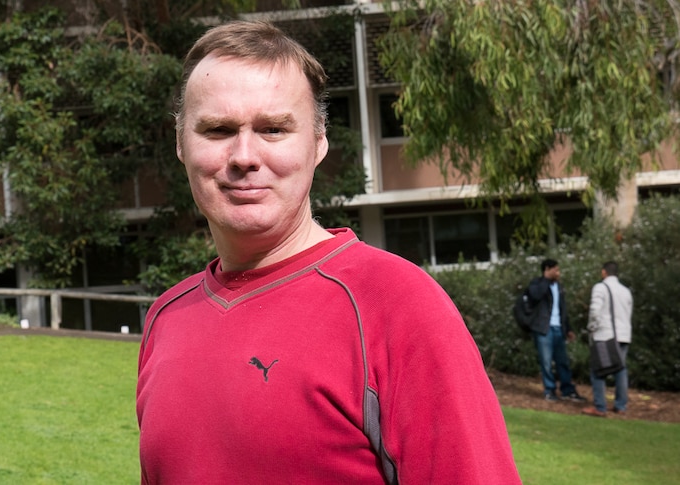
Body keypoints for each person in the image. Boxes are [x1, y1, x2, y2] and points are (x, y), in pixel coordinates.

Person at [136, 20, 521, 484]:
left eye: (274, 128)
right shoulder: (166, 318)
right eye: (217, 129)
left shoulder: (398, 305)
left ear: (318, 142)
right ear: (181, 143)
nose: (243, 156)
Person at [526, 259, 585, 403]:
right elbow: (535, 296)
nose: (558, 273)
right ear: (547, 269)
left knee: (562, 361)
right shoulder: (537, 284)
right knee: (546, 362)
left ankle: (567, 390)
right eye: (556, 270)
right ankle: (549, 390)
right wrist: (546, 280)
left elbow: (563, 309)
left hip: (558, 328)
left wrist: (568, 329)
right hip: (544, 328)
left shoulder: (559, 287)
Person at [582, 261, 633, 417]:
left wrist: (591, 327)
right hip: (624, 335)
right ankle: (620, 405)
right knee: (620, 369)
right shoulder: (626, 291)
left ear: (604, 272)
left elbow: (595, 310)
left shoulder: (600, 288)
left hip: (606, 335)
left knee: (598, 370)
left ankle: (600, 406)